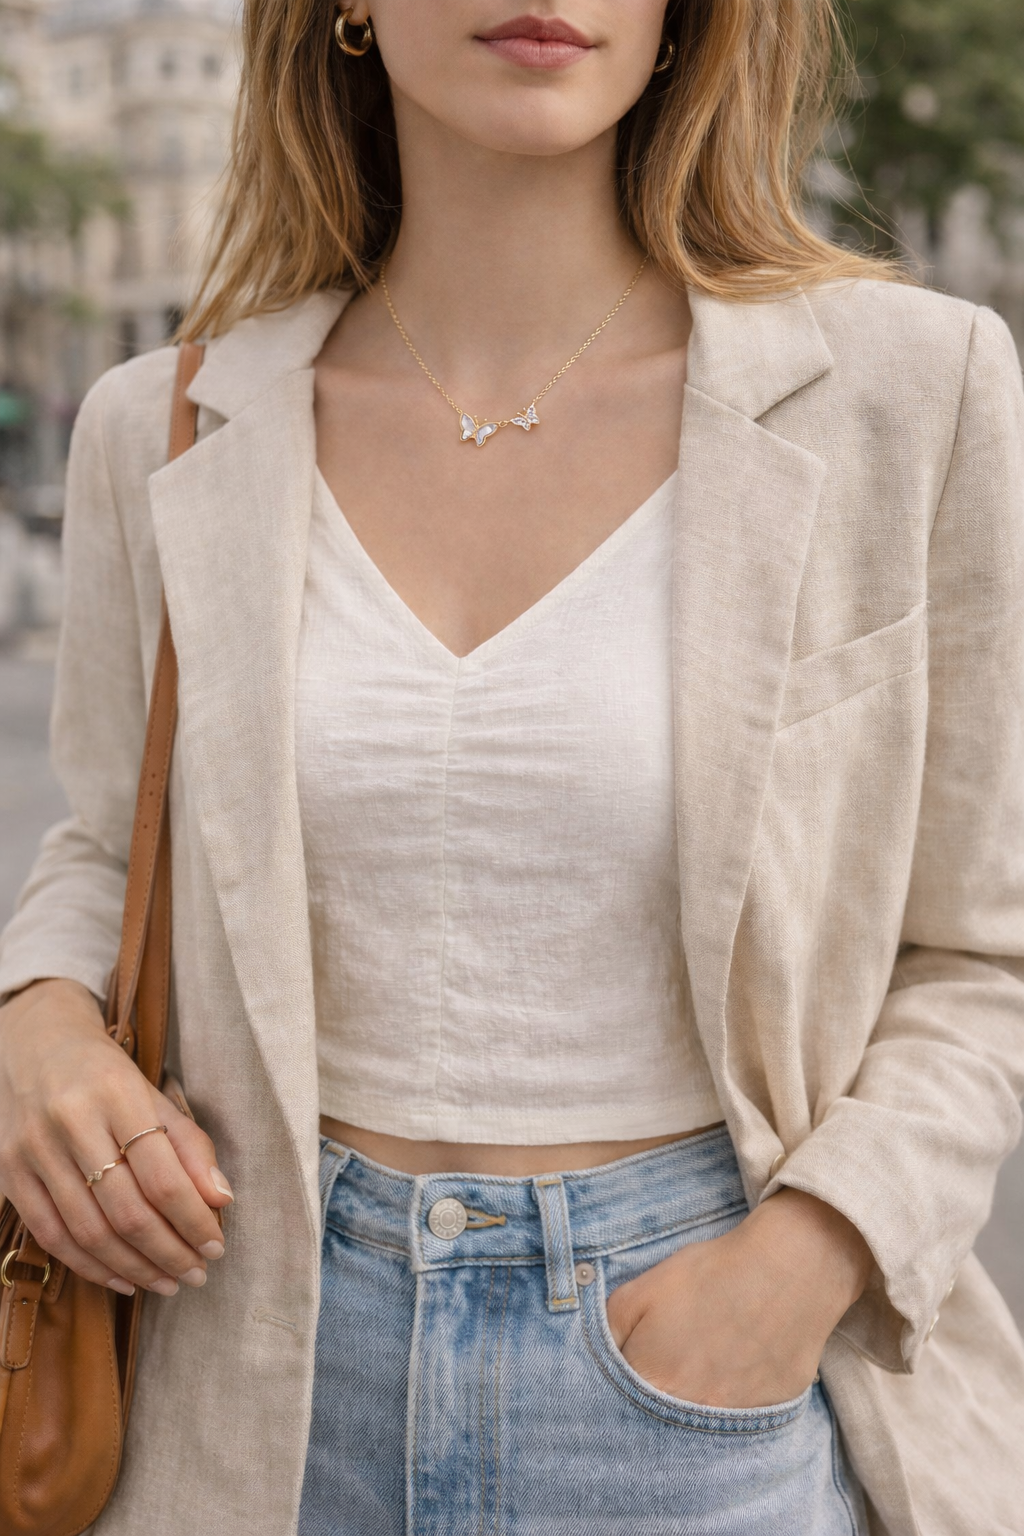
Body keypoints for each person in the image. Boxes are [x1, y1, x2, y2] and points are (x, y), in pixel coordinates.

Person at [1, 2, 1023, 1532]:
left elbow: (981, 944)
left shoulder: (911, 392)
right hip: (252, 1377)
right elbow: (104, 846)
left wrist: (800, 1263)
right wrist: (35, 1025)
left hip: (702, 1384)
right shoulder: (160, 427)